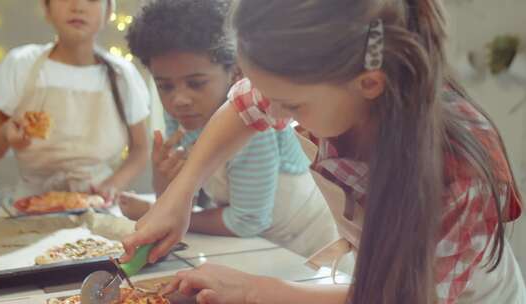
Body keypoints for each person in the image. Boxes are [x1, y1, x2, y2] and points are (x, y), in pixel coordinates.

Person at [122, 0, 526, 303]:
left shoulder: (459, 175)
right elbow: (244, 109)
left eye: (292, 106)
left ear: (369, 84)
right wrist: (181, 193)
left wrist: (259, 290)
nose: (273, 113)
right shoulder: (330, 87)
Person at [119, 0, 338, 258]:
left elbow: (246, 221)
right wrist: (166, 187)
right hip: (251, 246)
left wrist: (158, 210)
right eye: (165, 86)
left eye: (196, 83)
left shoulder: (258, 126)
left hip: (305, 244)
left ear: (235, 73)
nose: (179, 99)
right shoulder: (181, 118)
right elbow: (177, 198)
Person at [0, 0, 149, 202]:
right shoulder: (21, 64)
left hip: (97, 202)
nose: (78, 6)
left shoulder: (123, 75)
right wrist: (6, 134)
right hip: (32, 205)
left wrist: (113, 184)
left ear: (108, 12)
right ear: (46, 8)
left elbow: (141, 149)